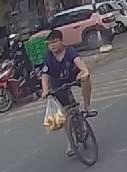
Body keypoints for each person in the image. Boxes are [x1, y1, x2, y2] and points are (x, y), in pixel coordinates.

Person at [39, 28, 94, 156]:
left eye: (55, 42)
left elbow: (80, 64)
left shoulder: (70, 51)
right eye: (50, 43)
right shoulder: (48, 57)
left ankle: (87, 107)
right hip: (58, 84)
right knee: (66, 115)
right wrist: (45, 90)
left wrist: (84, 72)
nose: (52, 45)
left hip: (73, 77)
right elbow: (45, 75)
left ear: (61, 41)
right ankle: (71, 142)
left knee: (86, 79)